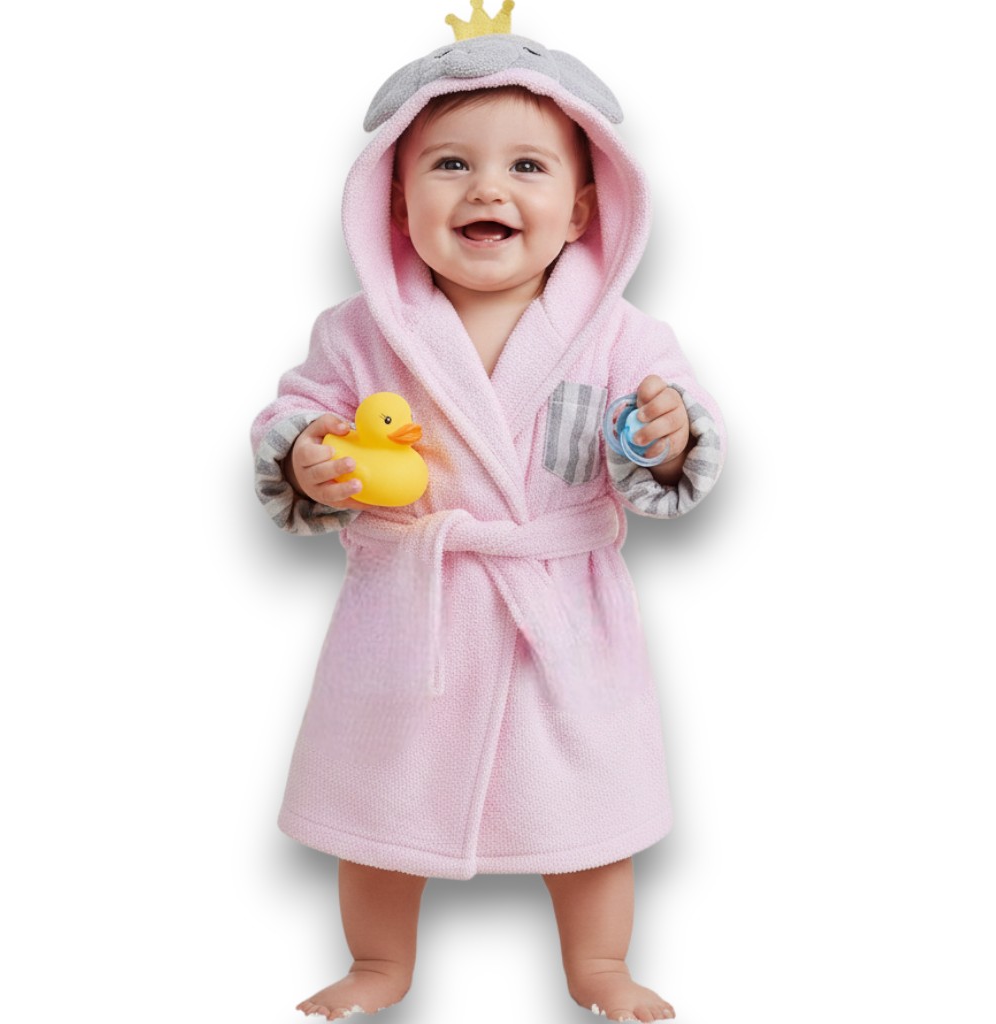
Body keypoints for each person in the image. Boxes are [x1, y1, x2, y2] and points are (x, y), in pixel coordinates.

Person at [251, 11, 725, 1023]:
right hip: (412, 606)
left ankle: (599, 966)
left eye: (527, 166)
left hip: (562, 606)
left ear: (585, 209)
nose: (487, 189)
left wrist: (669, 433)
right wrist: (308, 458)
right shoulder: (360, 331)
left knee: (587, 801)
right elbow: (297, 413)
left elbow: (680, 442)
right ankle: (378, 963)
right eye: (451, 163)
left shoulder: (623, 335)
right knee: (381, 795)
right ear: (395, 201)